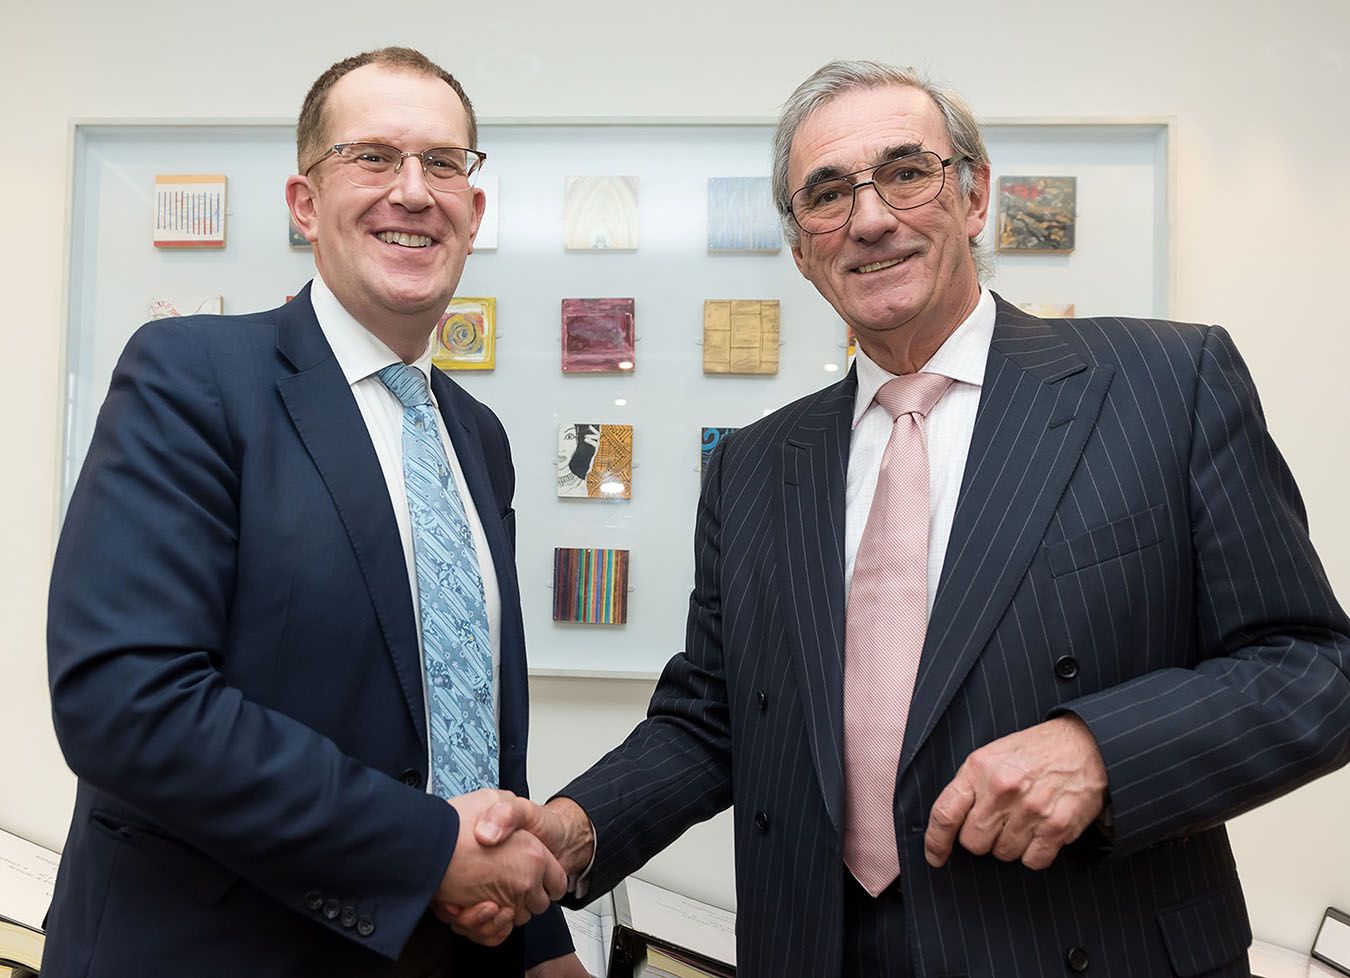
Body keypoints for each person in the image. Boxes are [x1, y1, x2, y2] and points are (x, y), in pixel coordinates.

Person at [458, 60, 1350, 977]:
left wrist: (1102, 753)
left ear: (974, 197)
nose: (872, 217)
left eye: (906, 172)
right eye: (829, 194)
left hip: (1083, 946)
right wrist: (572, 830)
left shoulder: (1165, 385)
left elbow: (1317, 671)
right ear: (802, 248)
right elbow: (715, 716)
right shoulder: (756, 466)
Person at [45, 47, 585, 978]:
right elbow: (125, 700)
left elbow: (472, 732)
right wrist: (424, 850)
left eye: (444, 164)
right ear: (304, 203)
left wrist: (540, 946)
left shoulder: (479, 436)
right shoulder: (195, 375)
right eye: (372, 157)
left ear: (475, 210)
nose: (413, 192)